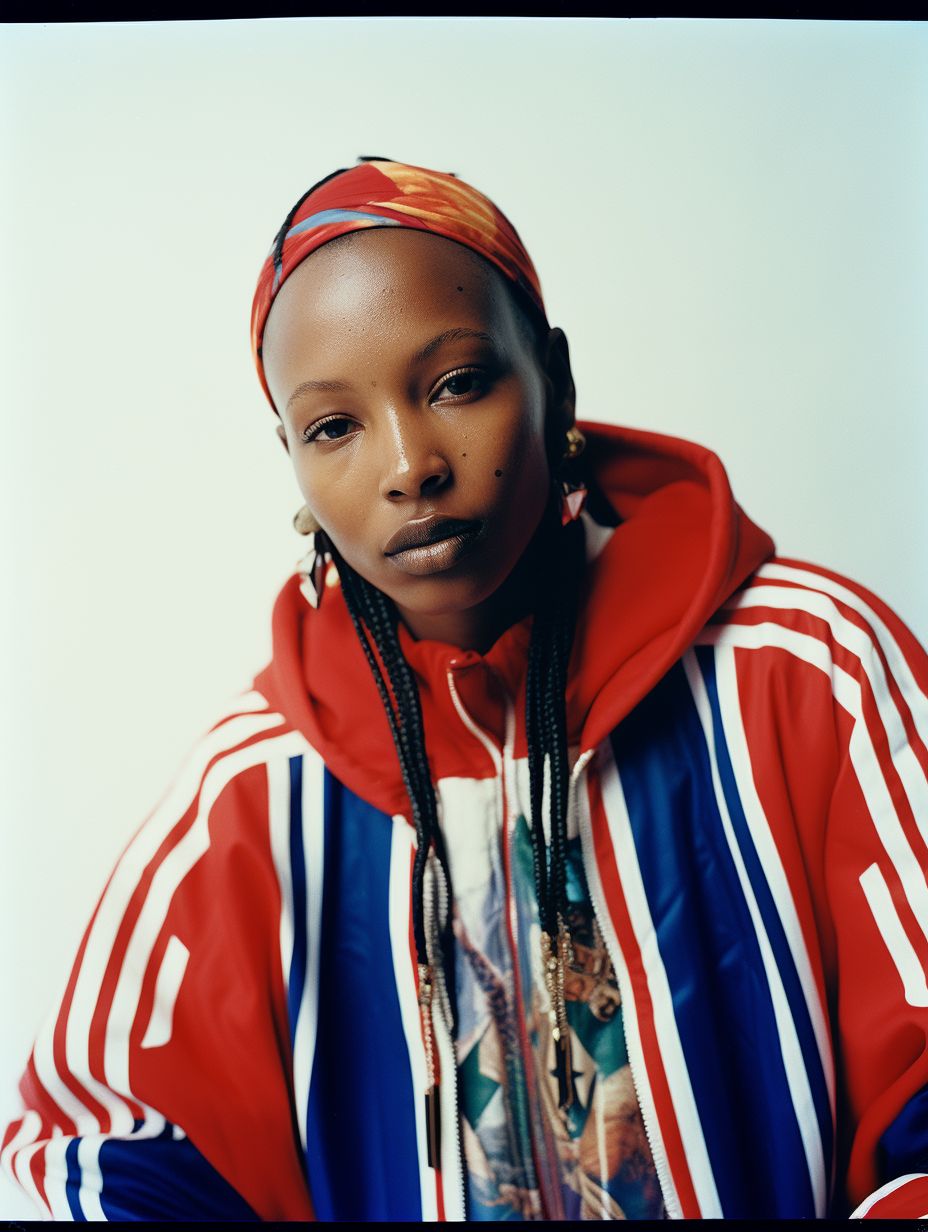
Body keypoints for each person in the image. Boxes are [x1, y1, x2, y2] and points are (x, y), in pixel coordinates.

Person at [3, 157, 928, 1223]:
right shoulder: (253, 793)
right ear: (294, 466)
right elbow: (83, 1157)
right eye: (333, 427)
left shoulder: (810, 667)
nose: (409, 464)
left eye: (455, 383)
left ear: (555, 380)